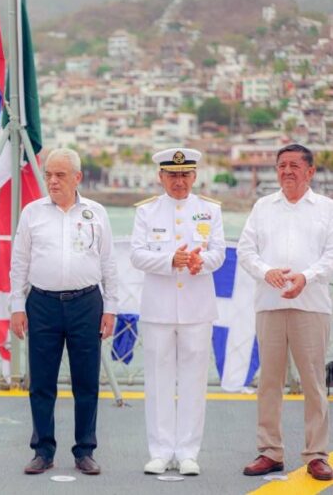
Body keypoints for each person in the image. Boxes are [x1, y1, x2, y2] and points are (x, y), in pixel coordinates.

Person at [10, 148, 118, 476]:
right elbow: (19, 263)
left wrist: (111, 307)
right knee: (41, 381)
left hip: (86, 303)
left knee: (86, 381)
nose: (53, 181)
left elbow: (108, 263)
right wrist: (17, 305)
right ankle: (43, 450)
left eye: (60, 175)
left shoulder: (96, 213)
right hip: (42, 304)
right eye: (48, 175)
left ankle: (85, 450)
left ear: (77, 178)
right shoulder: (32, 213)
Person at [238, 144, 333, 481]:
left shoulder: (326, 208)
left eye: (295, 165)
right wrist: (268, 272)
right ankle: (270, 451)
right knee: (269, 382)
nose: (287, 171)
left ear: (310, 171)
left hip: (312, 305)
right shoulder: (263, 207)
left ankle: (316, 454)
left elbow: (331, 256)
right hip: (271, 303)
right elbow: (246, 250)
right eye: (282, 165)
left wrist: (306, 277)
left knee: (314, 382)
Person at [130, 148, 225, 476]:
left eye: (185, 175)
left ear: (194, 176)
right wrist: (171, 260)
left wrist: (201, 262)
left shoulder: (209, 211)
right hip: (158, 309)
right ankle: (159, 450)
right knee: (157, 380)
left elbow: (219, 253)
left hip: (197, 309)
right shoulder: (148, 212)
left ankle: (187, 452)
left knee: (193, 382)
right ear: (161, 176)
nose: (179, 181)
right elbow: (137, 255)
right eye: (172, 175)